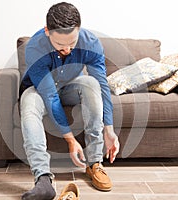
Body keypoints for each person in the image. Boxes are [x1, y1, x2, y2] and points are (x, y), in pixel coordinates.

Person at [19, 2, 120, 200]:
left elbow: (102, 86)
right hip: (41, 89)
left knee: (92, 83)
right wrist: (71, 140)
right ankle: (43, 179)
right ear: (48, 32)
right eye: (60, 45)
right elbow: (49, 95)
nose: (66, 49)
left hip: (71, 86)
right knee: (28, 103)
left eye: (71, 43)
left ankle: (95, 163)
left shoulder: (91, 43)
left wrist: (109, 129)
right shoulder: (35, 46)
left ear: (79, 30)